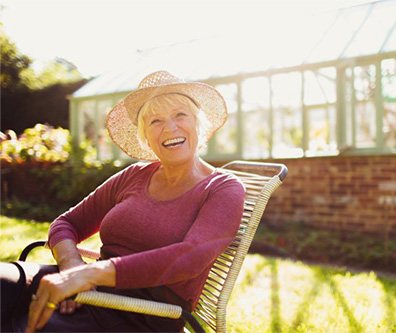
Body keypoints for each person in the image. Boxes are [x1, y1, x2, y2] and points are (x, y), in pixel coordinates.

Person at [0, 70, 246, 332]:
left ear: (199, 124)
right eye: (155, 121)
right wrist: (71, 268)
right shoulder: (134, 174)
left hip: (141, 314)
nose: (170, 127)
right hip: (89, 289)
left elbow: (190, 258)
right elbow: (66, 223)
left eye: (180, 115)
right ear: (146, 137)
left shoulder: (223, 189)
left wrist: (87, 275)